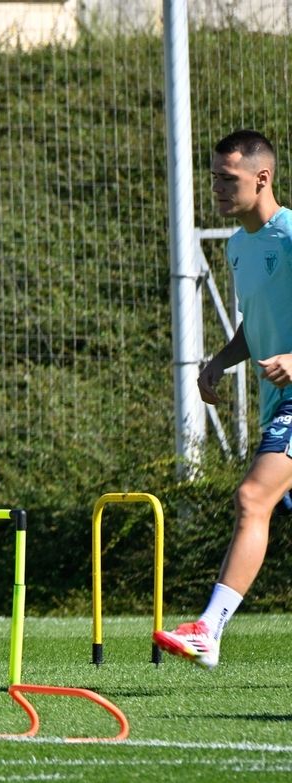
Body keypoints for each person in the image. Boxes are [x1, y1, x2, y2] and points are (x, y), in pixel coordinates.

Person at [154, 129, 292, 669]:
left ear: (262, 179)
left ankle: (207, 630)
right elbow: (255, 323)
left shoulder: (289, 236)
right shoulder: (239, 244)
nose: (215, 187)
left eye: (226, 179)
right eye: (213, 176)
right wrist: (221, 360)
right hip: (274, 406)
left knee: (252, 499)